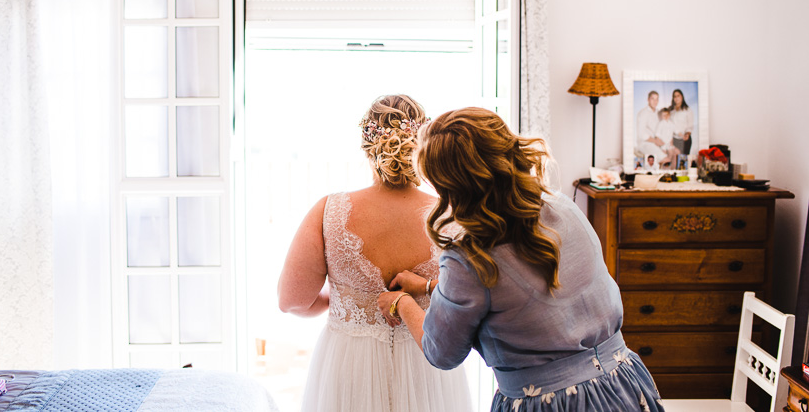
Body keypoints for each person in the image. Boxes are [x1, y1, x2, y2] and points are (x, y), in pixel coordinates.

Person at [377, 107, 664, 412]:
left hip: (549, 403)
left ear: (450, 186)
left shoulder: (468, 253)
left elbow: (442, 352)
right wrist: (432, 286)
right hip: (622, 384)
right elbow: (528, 298)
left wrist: (402, 303)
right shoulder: (564, 207)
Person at [277, 95, 471, 412]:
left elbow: (292, 300)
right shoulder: (448, 216)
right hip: (428, 362)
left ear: (369, 147)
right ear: (422, 145)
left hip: (349, 365)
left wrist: (342, 300)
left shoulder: (329, 212)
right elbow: (467, 297)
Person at [635, 91, 667, 167]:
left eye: (657, 99)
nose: (655, 101)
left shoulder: (658, 113)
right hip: (645, 144)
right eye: (652, 99)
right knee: (665, 159)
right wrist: (656, 141)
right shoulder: (643, 113)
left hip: (657, 143)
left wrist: (663, 145)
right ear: (648, 99)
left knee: (672, 155)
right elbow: (641, 134)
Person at [669, 89, 694, 155]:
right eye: (675, 96)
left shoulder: (687, 110)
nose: (676, 98)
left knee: (683, 160)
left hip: (685, 139)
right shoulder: (671, 110)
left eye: (678, 96)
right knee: (674, 160)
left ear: (682, 97)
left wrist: (687, 134)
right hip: (673, 139)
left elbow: (690, 125)